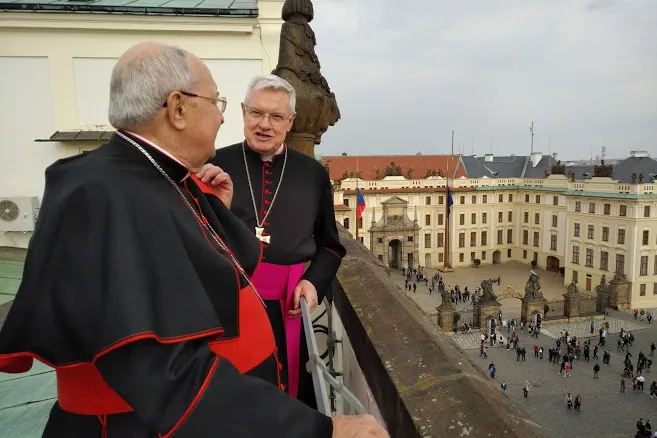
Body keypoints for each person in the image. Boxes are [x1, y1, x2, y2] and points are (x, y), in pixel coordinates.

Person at [0, 43, 386, 438]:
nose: (222, 117)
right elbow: (164, 372)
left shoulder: (157, 175)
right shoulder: (99, 193)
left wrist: (213, 211)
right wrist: (319, 430)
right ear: (178, 108)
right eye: (217, 101)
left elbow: (199, 272)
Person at [210, 75, 346, 407]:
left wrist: (313, 283)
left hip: (288, 309)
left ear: (291, 122)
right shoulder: (214, 165)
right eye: (256, 113)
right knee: (233, 403)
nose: (264, 125)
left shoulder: (313, 174)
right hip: (228, 307)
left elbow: (330, 246)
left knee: (289, 400)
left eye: (276, 117)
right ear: (243, 112)